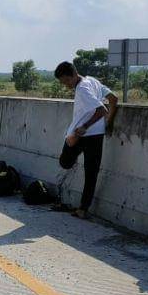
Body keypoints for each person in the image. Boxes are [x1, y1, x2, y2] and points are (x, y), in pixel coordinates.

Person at [53, 61, 118, 219]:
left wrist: (83, 128)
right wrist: (109, 122)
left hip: (82, 134)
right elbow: (114, 99)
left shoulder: (82, 88)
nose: (66, 85)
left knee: (65, 162)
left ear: (74, 74)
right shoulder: (92, 81)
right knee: (91, 173)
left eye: (66, 81)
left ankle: (82, 208)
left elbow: (101, 109)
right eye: (63, 83)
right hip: (97, 135)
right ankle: (83, 209)